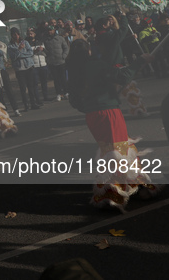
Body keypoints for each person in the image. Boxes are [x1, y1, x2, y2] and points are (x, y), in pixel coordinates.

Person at [67, 39, 160, 211]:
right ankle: (116, 192)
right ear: (88, 50)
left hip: (93, 115)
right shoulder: (96, 64)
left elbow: (73, 99)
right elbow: (123, 76)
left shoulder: (73, 70)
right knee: (118, 152)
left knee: (109, 151)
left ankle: (125, 187)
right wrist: (140, 61)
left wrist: (89, 106)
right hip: (108, 113)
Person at [96, 13, 148, 116]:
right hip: (116, 67)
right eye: (108, 21)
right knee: (130, 89)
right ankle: (138, 110)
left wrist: (129, 38)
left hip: (109, 67)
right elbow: (123, 30)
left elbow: (117, 43)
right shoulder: (107, 35)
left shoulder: (103, 35)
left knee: (111, 93)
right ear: (104, 26)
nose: (110, 22)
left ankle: (110, 112)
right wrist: (124, 17)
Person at [7, 27, 41, 110]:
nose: (16, 36)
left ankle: (33, 103)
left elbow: (30, 53)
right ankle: (26, 104)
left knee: (31, 86)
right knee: (23, 88)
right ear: (12, 35)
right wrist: (19, 49)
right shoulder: (10, 46)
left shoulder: (25, 42)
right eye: (14, 34)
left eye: (17, 34)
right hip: (19, 69)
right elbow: (13, 57)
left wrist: (20, 54)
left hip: (28, 67)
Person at [44, 25, 69, 101]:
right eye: (48, 30)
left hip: (61, 61)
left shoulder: (60, 38)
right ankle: (58, 93)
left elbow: (66, 48)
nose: (50, 32)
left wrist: (64, 56)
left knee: (63, 78)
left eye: (51, 30)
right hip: (52, 63)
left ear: (54, 30)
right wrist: (47, 58)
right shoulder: (46, 41)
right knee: (56, 79)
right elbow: (45, 51)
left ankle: (66, 92)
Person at [26, 27, 50, 103]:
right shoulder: (26, 43)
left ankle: (46, 97)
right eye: (29, 34)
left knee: (44, 82)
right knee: (35, 84)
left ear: (34, 34)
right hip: (34, 66)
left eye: (31, 33)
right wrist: (34, 51)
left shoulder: (40, 42)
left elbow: (46, 52)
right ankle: (38, 99)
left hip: (43, 64)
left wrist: (43, 50)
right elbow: (27, 54)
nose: (30, 35)